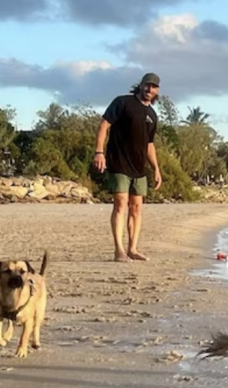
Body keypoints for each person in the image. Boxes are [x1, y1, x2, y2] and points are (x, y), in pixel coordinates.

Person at [93, 72, 163, 263]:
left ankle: (132, 248)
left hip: (139, 168)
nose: (150, 89)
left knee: (137, 208)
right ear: (140, 85)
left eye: (154, 87)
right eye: (147, 85)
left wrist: (156, 168)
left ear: (157, 91)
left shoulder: (152, 115)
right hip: (119, 162)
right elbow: (104, 126)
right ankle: (119, 251)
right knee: (121, 204)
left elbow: (149, 144)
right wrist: (99, 152)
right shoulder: (123, 102)